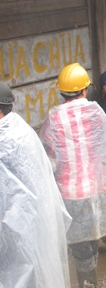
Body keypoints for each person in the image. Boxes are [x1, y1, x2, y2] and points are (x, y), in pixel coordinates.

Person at [41, 63, 106, 288]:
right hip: (94, 187)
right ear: (84, 90)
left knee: (77, 240)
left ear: (62, 92)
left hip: (68, 192)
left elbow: (49, 156)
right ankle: (88, 281)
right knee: (91, 234)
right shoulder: (94, 111)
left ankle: (84, 280)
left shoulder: (53, 118)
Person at [0, 83, 71, 288]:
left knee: (20, 273)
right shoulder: (21, 129)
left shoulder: (6, 139)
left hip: (16, 223)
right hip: (29, 219)